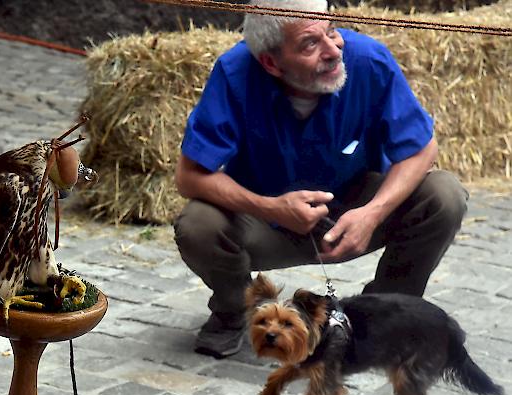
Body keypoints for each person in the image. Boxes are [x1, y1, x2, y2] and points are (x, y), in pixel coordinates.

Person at [173, 0, 468, 359]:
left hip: (350, 207)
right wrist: (271, 208)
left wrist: (373, 213)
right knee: (198, 224)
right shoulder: (235, 72)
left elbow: (422, 148)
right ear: (271, 62)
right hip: (267, 219)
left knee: (444, 194)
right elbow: (189, 177)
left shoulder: (369, 60)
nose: (333, 50)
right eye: (310, 44)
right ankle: (235, 310)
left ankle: (384, 314)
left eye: (332, 30)